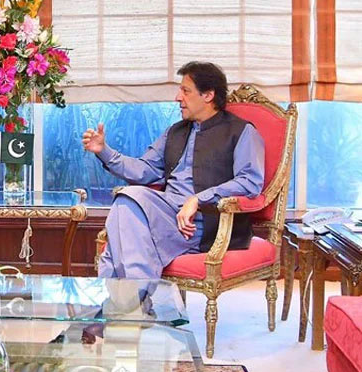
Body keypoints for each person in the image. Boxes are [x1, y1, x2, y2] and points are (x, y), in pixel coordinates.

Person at [83, 61, 265, 279]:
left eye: (185, 91)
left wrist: (198, 199)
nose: (178, 98)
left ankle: (129, 302)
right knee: (126, 199)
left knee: (122, 235)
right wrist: (104, 150)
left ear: (207, 95)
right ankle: (135, 301)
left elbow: (250, 182)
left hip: (204, 224)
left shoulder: (241, 131)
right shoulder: (175, 132)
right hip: (167, 214)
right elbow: (144, 169)